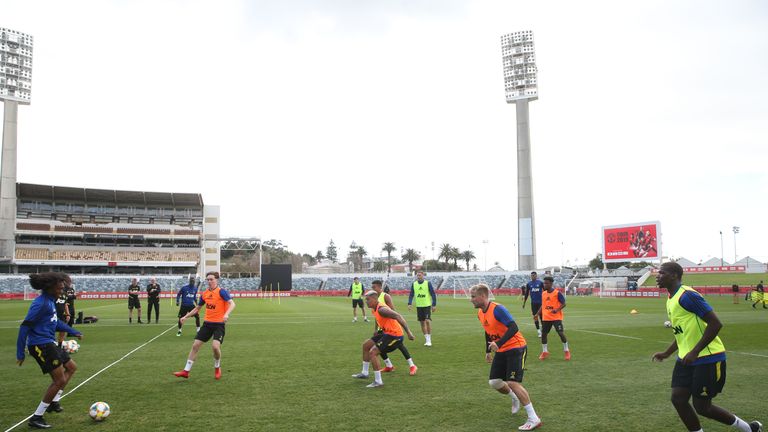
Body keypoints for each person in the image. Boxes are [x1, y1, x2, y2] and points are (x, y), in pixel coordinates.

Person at [652, 262, 762, 432]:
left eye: (661, 272)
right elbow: (682, 332)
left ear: (674, 275)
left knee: (702, 407)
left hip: (707, 358)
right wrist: (667, 353)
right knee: (678, 399)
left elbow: (716, 323)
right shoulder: (670, 298)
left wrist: (695, 351)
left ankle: (750, 429)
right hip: (685, 358)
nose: (657, 276)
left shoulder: (687, 295)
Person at [16, 273, 83, 429]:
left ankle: (53, 402)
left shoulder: (50, 301)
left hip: (49, 342)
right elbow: (24, 326)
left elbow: (55, 322)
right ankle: (36, 417)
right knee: (58, 380)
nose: (62, 291)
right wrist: (20, 353)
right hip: (41, 345)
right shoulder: (41, 304)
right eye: (60, 288)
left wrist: (73, 331)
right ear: (50, 288)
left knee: (72, 367)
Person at [470, 284, 541, 431]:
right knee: (494, 382)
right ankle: (514, 397)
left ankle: (534, 418)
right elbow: (487, 330)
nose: (471, 300)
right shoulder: (480, 313)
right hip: (501, 349)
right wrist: (487, 350)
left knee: (512, 382)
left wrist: (499, 343)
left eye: (473, 297)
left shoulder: (497, 309)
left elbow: (514, 327)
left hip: (516, 347)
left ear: (482, 296)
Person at [174, 271, 236, 380]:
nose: (209, 281)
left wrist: (226, 314)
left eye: (211, 279)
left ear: (217, 280)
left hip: (219, 325)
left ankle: (217, 367)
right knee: (195, 346)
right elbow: (197, 308)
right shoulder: (205, 294)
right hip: (207, 324)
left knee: (215, 347)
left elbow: (233, 304)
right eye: (208, 279)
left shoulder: (222, 292)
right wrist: (185, 316)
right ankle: (186, 371)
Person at [352, 291, 415, 388]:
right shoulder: (374, 309)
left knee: (373, 352)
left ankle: (378, 381)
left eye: (368, 299)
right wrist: (377, 330)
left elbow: (398, 316)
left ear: (374, 299)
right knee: (366, 345)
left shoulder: (382, 309)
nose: (366, 302)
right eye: (366, 299)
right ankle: (365, 373)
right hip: (386, 333)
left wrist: (409, 333)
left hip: (395, 336)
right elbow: (380, 320)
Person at [370, 280, 415, 374]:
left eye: (374, 287)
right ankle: (389, 366)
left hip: (392, 326)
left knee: (399, 345)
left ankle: (412, 366)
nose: (372, 289)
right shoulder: (374, 298)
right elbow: (377, 316)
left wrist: (406, 330)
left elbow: (393, 312)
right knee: (379, 345)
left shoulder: (385, 296)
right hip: (382, 327)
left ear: (379, 287)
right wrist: (376, 329)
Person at [535, 276, 570, 361]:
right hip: (546, 318)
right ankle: (545, 351)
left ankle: (566, 350)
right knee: (544, 335)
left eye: (546, 283)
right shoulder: (543, 293)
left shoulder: (557, 293)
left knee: (560, 333)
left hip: (556, 317)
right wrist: (537, 314)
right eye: (544, 283)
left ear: (551, 284)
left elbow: (564, 303)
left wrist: (557, 310)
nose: (545, 284)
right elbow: (543, 305)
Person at [407, 271, 437, 346]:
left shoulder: (427, 283)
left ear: (423, 275)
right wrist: (409, 303)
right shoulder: (414, 284)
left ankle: (429, 339)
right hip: (419, 306)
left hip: (427, 305)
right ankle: (426, 339)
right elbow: (411, 294)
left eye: (420, 275)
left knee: (427, 321)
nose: (418, 277)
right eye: (417, 275)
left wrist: (434, 305)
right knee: (422, 322)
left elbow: (433, 294)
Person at [522, 271, 544, 338]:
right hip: (533, 304)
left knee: (542, 317)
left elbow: (546, 291)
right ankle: (538, 331)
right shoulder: (529, 284)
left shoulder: (540, 283)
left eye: (534, 275)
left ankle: (543, 331)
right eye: (532, 275)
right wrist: (524, 303)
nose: (533, 276)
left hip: (541, 303)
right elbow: (526, 294)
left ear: (536, 276)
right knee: (535, 317)